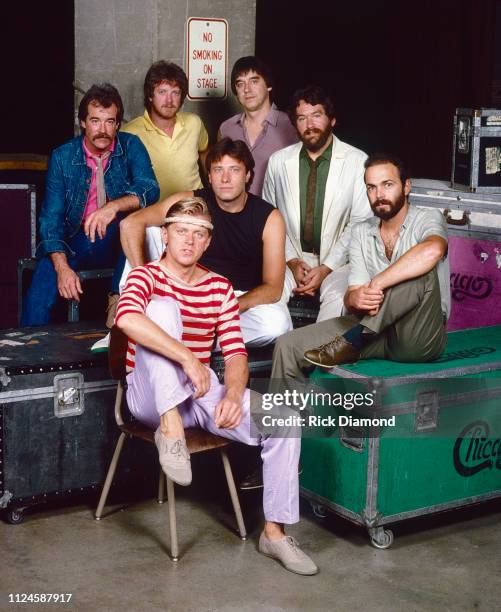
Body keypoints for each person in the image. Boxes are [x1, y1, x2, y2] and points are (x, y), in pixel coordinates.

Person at [115, 197, 317, 576]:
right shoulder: (146, 276)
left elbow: (236, 354)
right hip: (148, 396)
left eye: (198, 234)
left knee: (284, 420)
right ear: (164, 236)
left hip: (198, 391)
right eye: (180, 232)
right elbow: (127, 319)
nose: (189, 241)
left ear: (208, 242)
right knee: (160, 310)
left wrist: (236, 394)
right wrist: (189, 358)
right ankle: (170, 428)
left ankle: (274, 533)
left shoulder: (220, 288)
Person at [271, 154, 450, 380]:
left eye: (388, 185)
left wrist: (377, 283)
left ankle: (353, 340)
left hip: (416, 333)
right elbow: (354, 292)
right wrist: (354, 299)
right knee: (288, 344)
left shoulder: (427, 218)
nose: (379, 195)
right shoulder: (361, 231)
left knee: (421, 271)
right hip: (371, 329)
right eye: (371, 188)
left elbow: (433, 250)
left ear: (406, 187)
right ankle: (284, 414)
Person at [120, 138, 291, 346]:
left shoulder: (269, 217)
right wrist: (146, 281)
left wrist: (230, 307)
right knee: (149, 232)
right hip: (186, 293)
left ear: (247, 176)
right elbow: (130, 224)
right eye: (218, 170)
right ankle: (141, 314)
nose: (225, 178)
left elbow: (273, 288)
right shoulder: (191, 202)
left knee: (277, 324)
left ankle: (184, 336)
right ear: (209, 176)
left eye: (234, 170)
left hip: (238, 299)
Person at [21, 84, 159, 327]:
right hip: (76, 241)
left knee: (131, 224)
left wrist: (112, 207)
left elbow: (150, 187)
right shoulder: (62, 157)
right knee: (41, 289)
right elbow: (50, 219)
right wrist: (61, 266)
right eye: (95, 121)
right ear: (82, 122)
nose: (102, 130)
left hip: (119, 239)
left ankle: (118, 297)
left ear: (118, 124)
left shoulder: (131, 146)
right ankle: (27, 353)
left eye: (109, 122)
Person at [263, 85, 372, 322]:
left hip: (339, 261)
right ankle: (283, 356)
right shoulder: (278, 162)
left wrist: (326, 269)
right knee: (269, 304)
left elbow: (360, 224)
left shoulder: (358, 161)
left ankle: (317, 358)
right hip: (290, 258)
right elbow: (269, 218)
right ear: (294, 123)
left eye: (316, 115)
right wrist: (291, 261)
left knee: (335, 301)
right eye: (302, 118)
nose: (309, 124)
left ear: (332, 119)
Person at [122, 61, 209, 201]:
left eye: (175, 93)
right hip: (152, 214)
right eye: (162, 92)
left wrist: (212, 187)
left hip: (195, 209)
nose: (169, 100)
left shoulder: (194, 123)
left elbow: (205, 152)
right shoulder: (129, 133)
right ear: (150, 95)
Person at [218, 56, 298, 196]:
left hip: (278, 214)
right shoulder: (226, 129)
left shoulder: (292, 126)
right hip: (235, 214)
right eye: (240, 84)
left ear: (268, 85)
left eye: (254, 81)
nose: (247, 89)